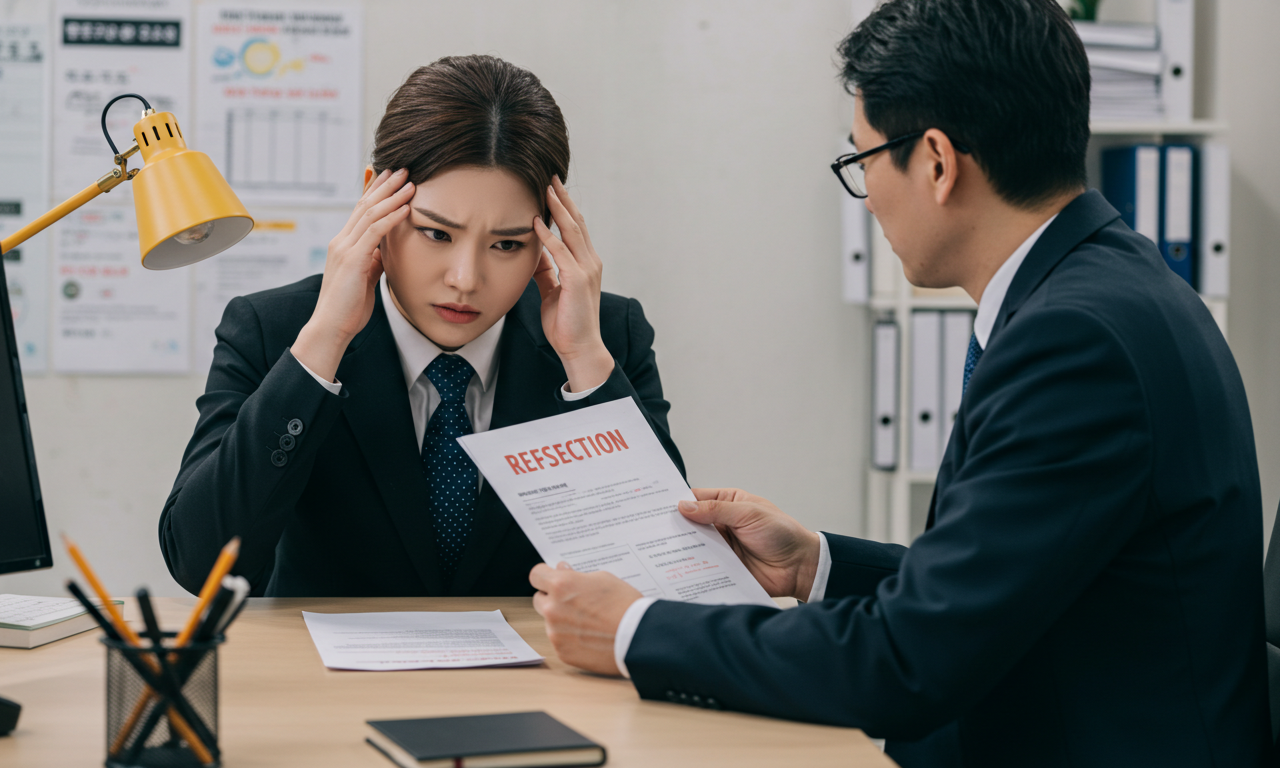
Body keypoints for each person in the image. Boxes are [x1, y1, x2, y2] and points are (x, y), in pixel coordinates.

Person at [527, 2, 1271, 766]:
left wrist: (633, 630)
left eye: (864, 161)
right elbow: (997, 586)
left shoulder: (1074, 345)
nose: (869, 196)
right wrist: (814, 564)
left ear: (938, 162)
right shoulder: (1113, 288)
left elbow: (909, 663)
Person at [160, 55, 683, 598]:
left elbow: (669, 575)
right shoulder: (275, 330)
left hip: (538, 655)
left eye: (507, 244)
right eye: (437, 234)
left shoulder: (606, 336)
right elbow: (200, 565)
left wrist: (585, 363)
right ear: (374, 201)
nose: (465, 279)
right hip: (322, 656)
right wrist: (324, 342)